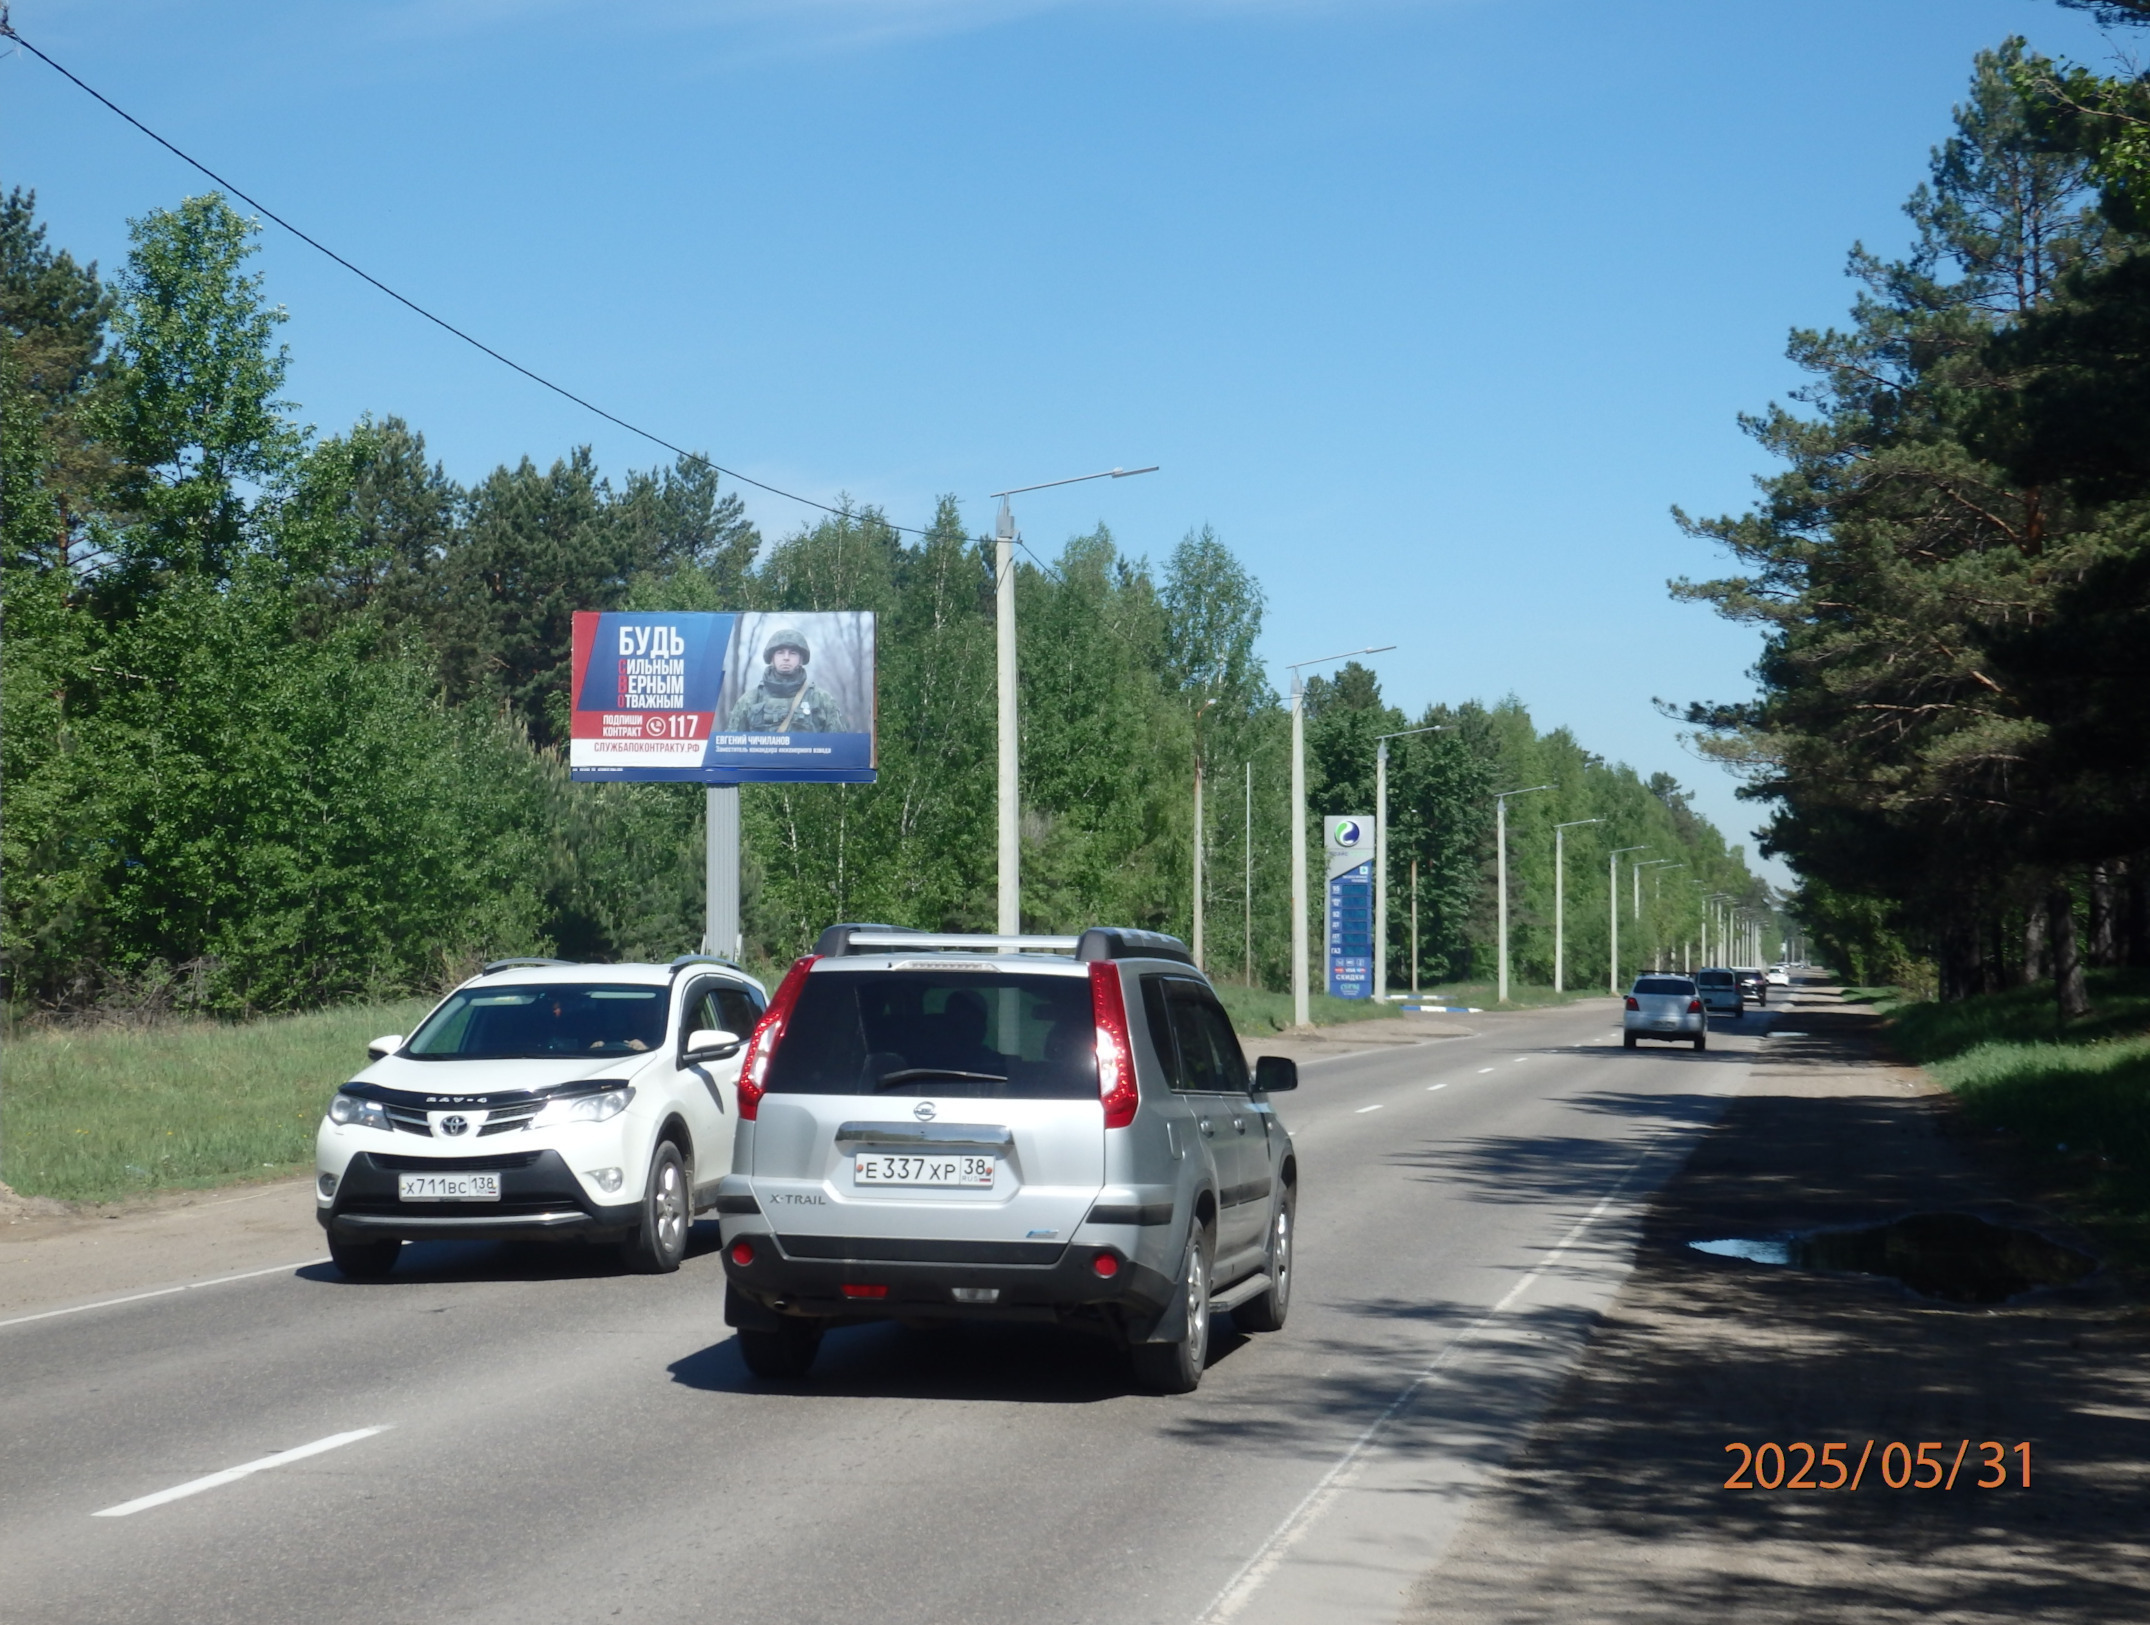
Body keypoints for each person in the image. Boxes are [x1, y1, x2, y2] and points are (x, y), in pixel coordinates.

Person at [727, 625, 848, 733]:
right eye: (780, 652)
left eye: (793, 653)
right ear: (772, 658)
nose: (786, 658)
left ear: (801, 659)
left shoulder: (821, 699)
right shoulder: (749, 701)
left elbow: (839, 747)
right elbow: (731, 747)